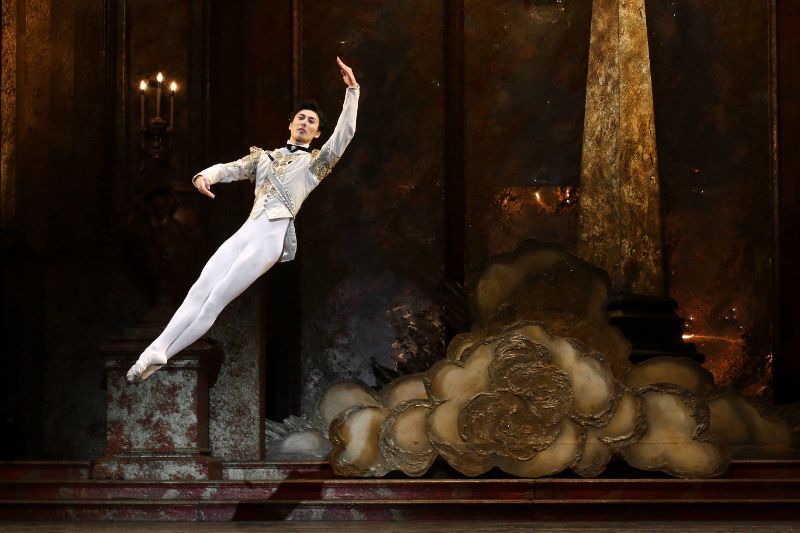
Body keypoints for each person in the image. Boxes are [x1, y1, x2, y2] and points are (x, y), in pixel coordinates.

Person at [126, 57, 359, 382]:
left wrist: (352, 91)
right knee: (199, 289)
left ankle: (165, 351)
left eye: (311, 121)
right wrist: (205, 176)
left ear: (317, 133)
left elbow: (345, 134)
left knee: (216, 298)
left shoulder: (314, 166)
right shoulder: (263, 158)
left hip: (269, 239)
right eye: (301, 118)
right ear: (290, 124)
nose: (305, 123)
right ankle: (156, 349)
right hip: (247, 232)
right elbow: (231, 168)